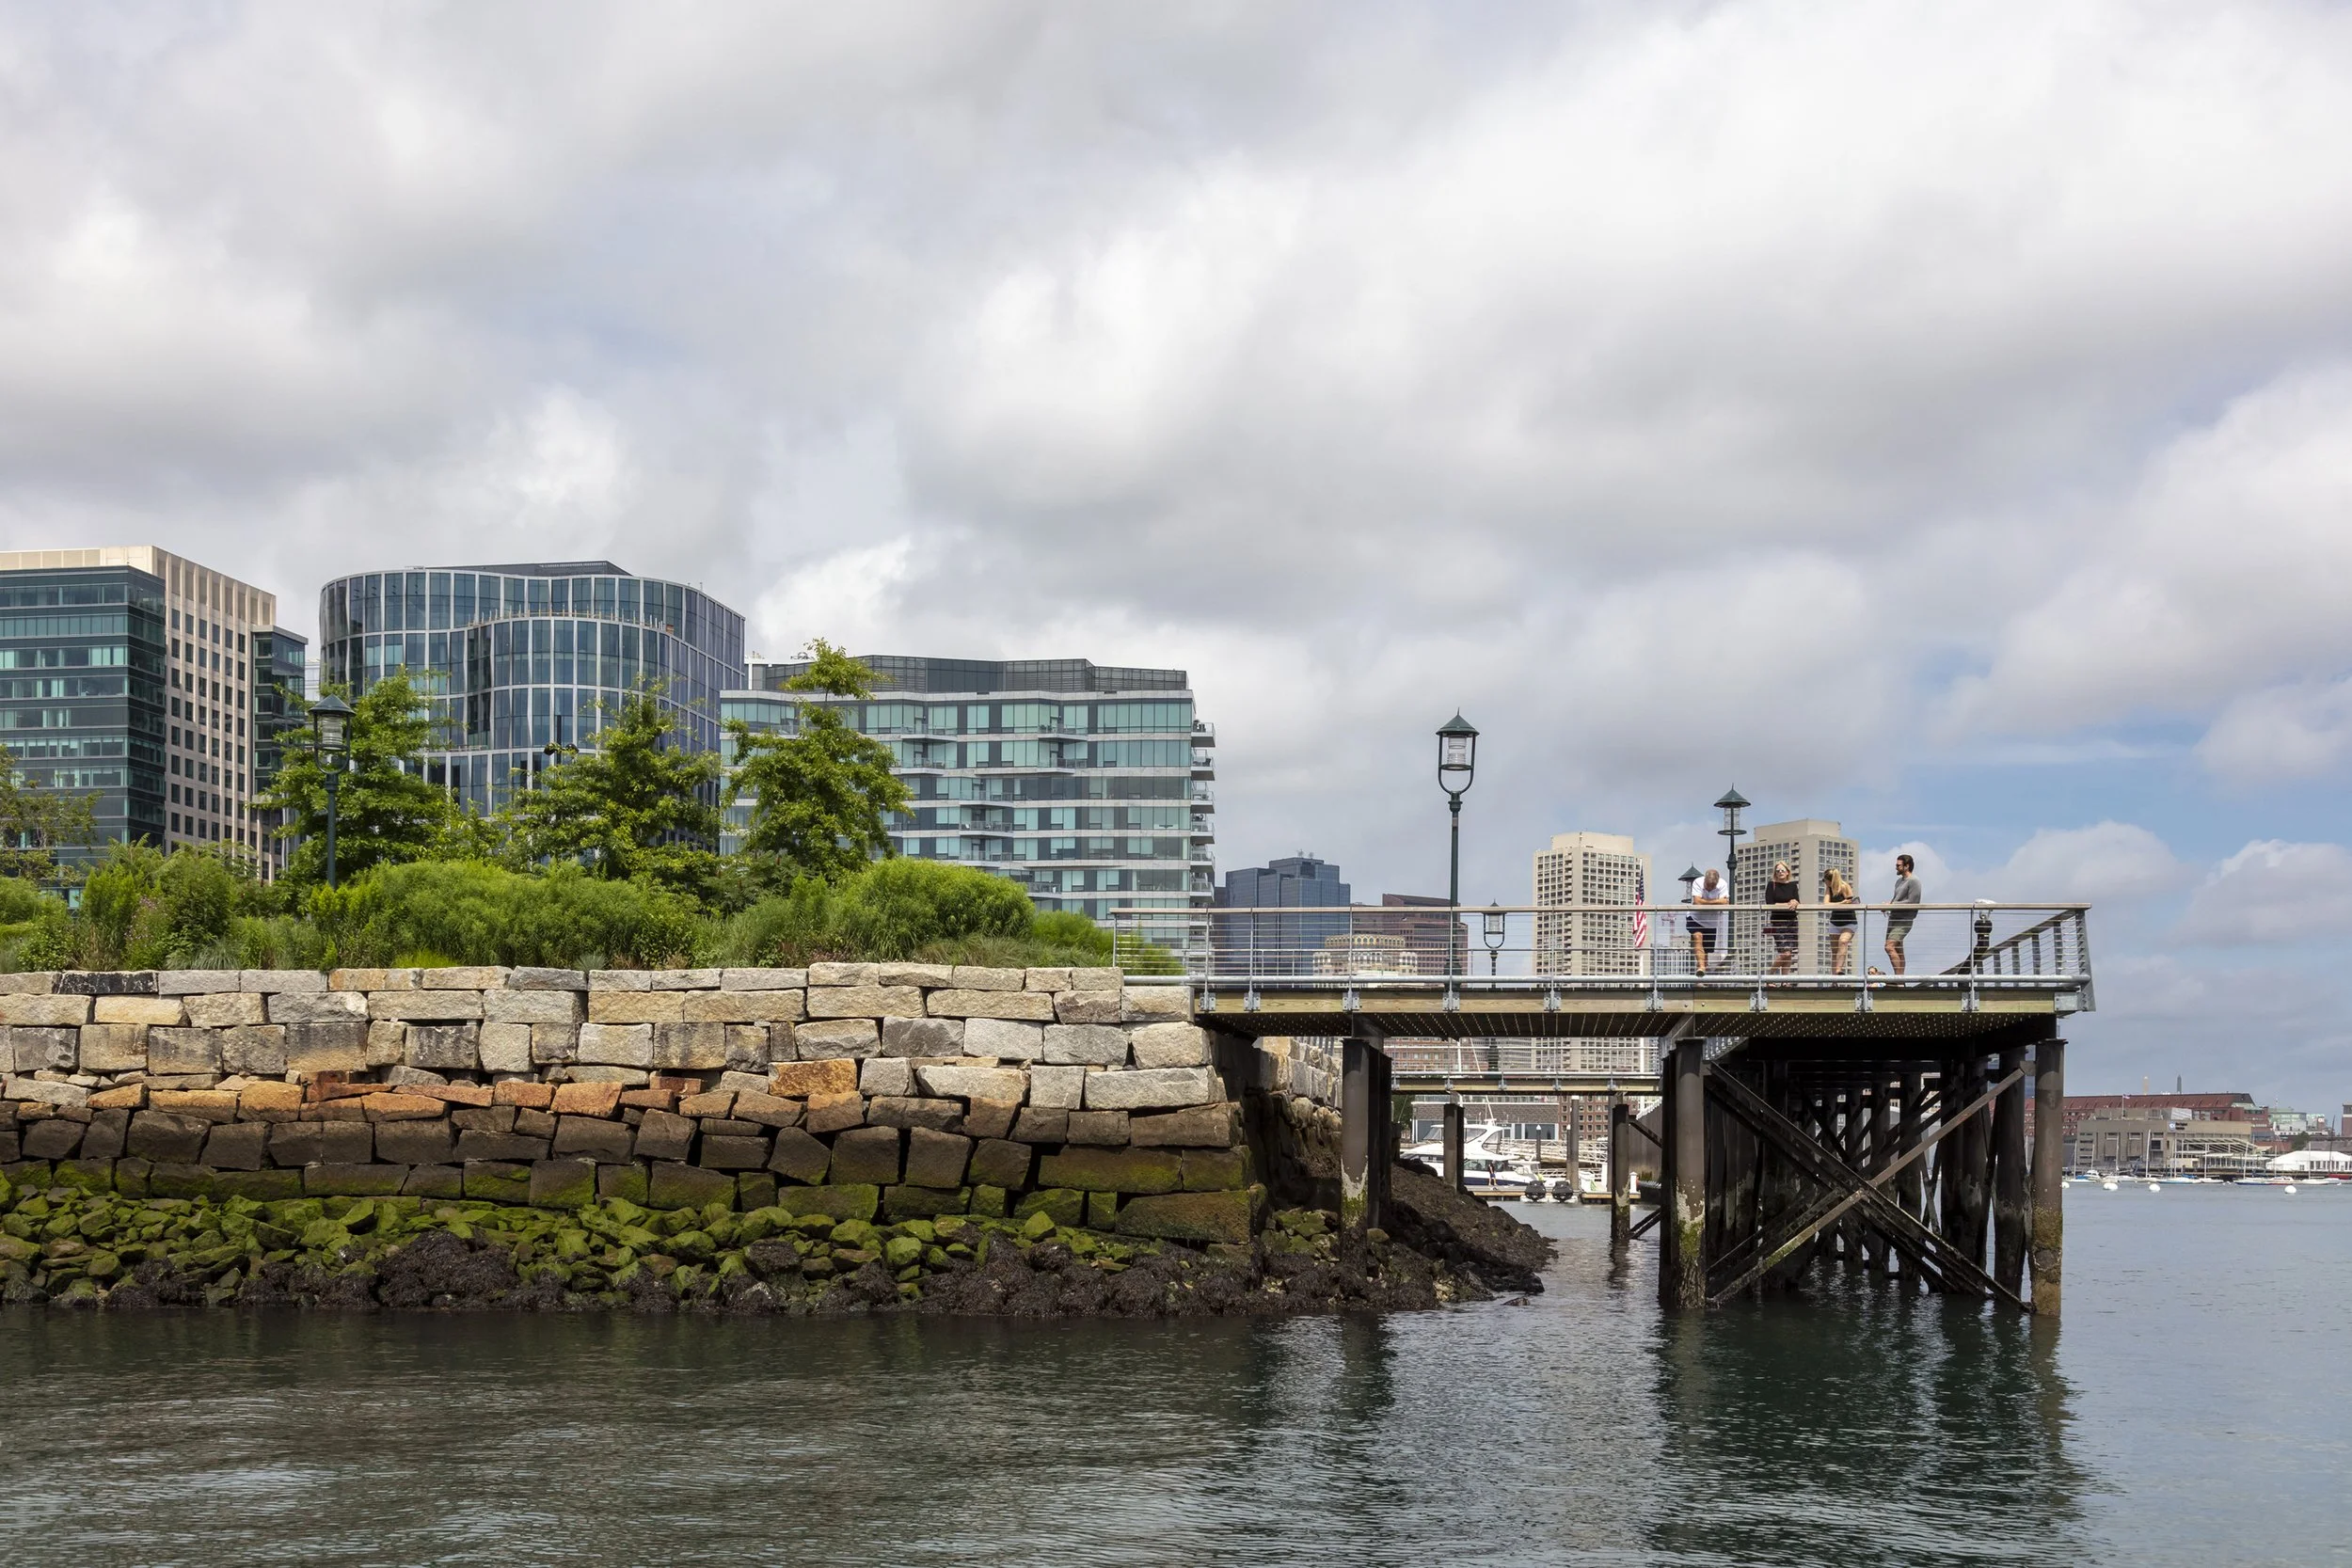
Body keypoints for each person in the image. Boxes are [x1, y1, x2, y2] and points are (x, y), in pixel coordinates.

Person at [1884, 853, 1922, 974]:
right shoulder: (1898, 881)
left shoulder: (1914, 881)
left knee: (1889, 946)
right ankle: (1900, 980)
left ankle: (1898, 978)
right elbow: (1896, 899)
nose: (1896, 867)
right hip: (1894, 917)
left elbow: (1912, 901)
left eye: (1898, 865)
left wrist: (1891, 905)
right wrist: (1887, 905)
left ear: (1907, 866)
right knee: (1898, 949)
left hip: (1904, 918)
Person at [1687, 867, 1729, 974]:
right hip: (1696, 918)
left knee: (1706, 952)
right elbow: (1696, 901)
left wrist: (1704, 901)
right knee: (1697, 937)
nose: (1710, 888)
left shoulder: (1723, 884)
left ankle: (1701, 979)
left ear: (1717, 883)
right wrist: (1716, 901)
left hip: (1711, 922)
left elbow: (1725, 902)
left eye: (1712, 887)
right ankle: (1701, 967)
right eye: (1707, 886)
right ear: (1704, 880)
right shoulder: (1698, 882)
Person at [1765, 860, 1801, 974]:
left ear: (1787, 872)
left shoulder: (1793, 885)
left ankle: (1784, 980)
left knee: (1789, 953)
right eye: (1778, 871)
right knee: (1785, 952)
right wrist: (1786, 904)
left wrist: (1795, 902)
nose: (1780, 872)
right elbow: (1770, 903)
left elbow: (1797, 901)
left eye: (1782, 870)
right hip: (1778, 921)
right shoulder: (1772, 885)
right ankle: (1769, 975)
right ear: (1775, 873)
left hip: (1792, 921)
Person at [1823, 866, 1859, 974]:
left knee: (1843, 942)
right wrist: (1840, 904)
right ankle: (1834, 979)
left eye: (1825, 881)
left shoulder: (1844, 886)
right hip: (1835, 922)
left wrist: (1843, 904)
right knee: (1834, 951)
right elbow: (1826, 904)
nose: (1825, 883)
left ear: (1831, 880)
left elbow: (1852, 903)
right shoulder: (1829, 889)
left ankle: (1839, 970)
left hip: (1849, 922)